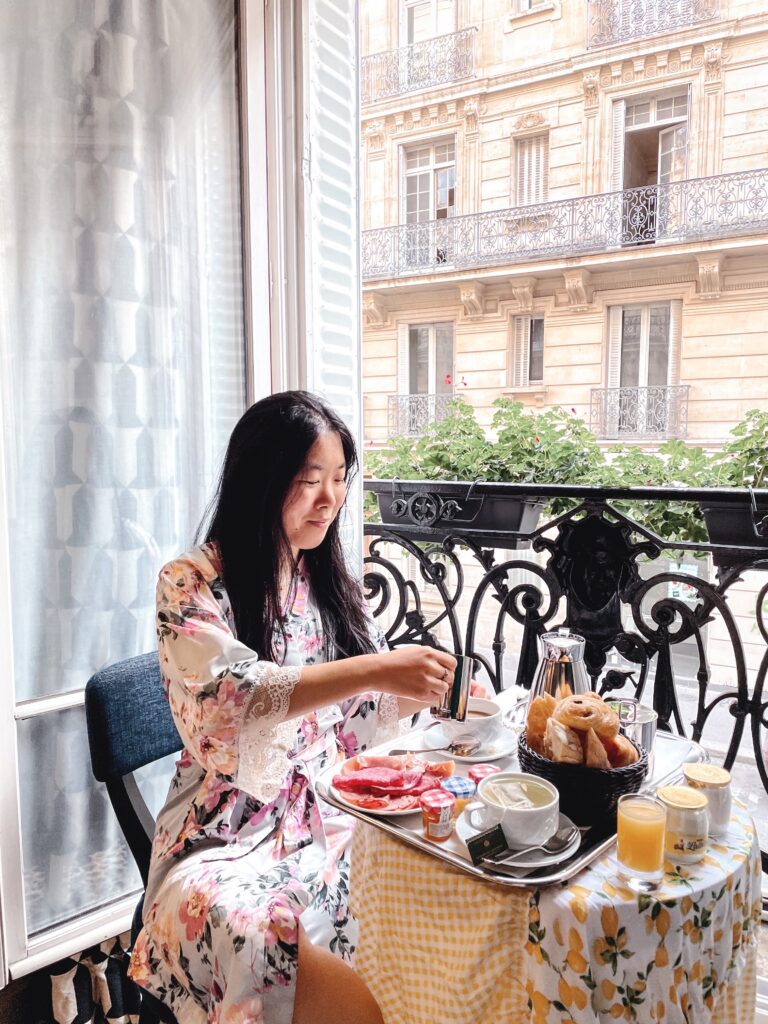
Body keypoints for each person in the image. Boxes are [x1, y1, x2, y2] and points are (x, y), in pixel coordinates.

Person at [128, 391, 456, 1024]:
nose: (330, 500)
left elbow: (353, 724)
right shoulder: (190, 583)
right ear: (262, 482)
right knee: (265, 943)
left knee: (428, 888)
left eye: (338, 481)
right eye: (310, 482)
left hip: (323, 815)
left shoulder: (321, 579)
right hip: (219, 836)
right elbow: (232, 703)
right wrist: (379, 668)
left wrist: (409, 692)